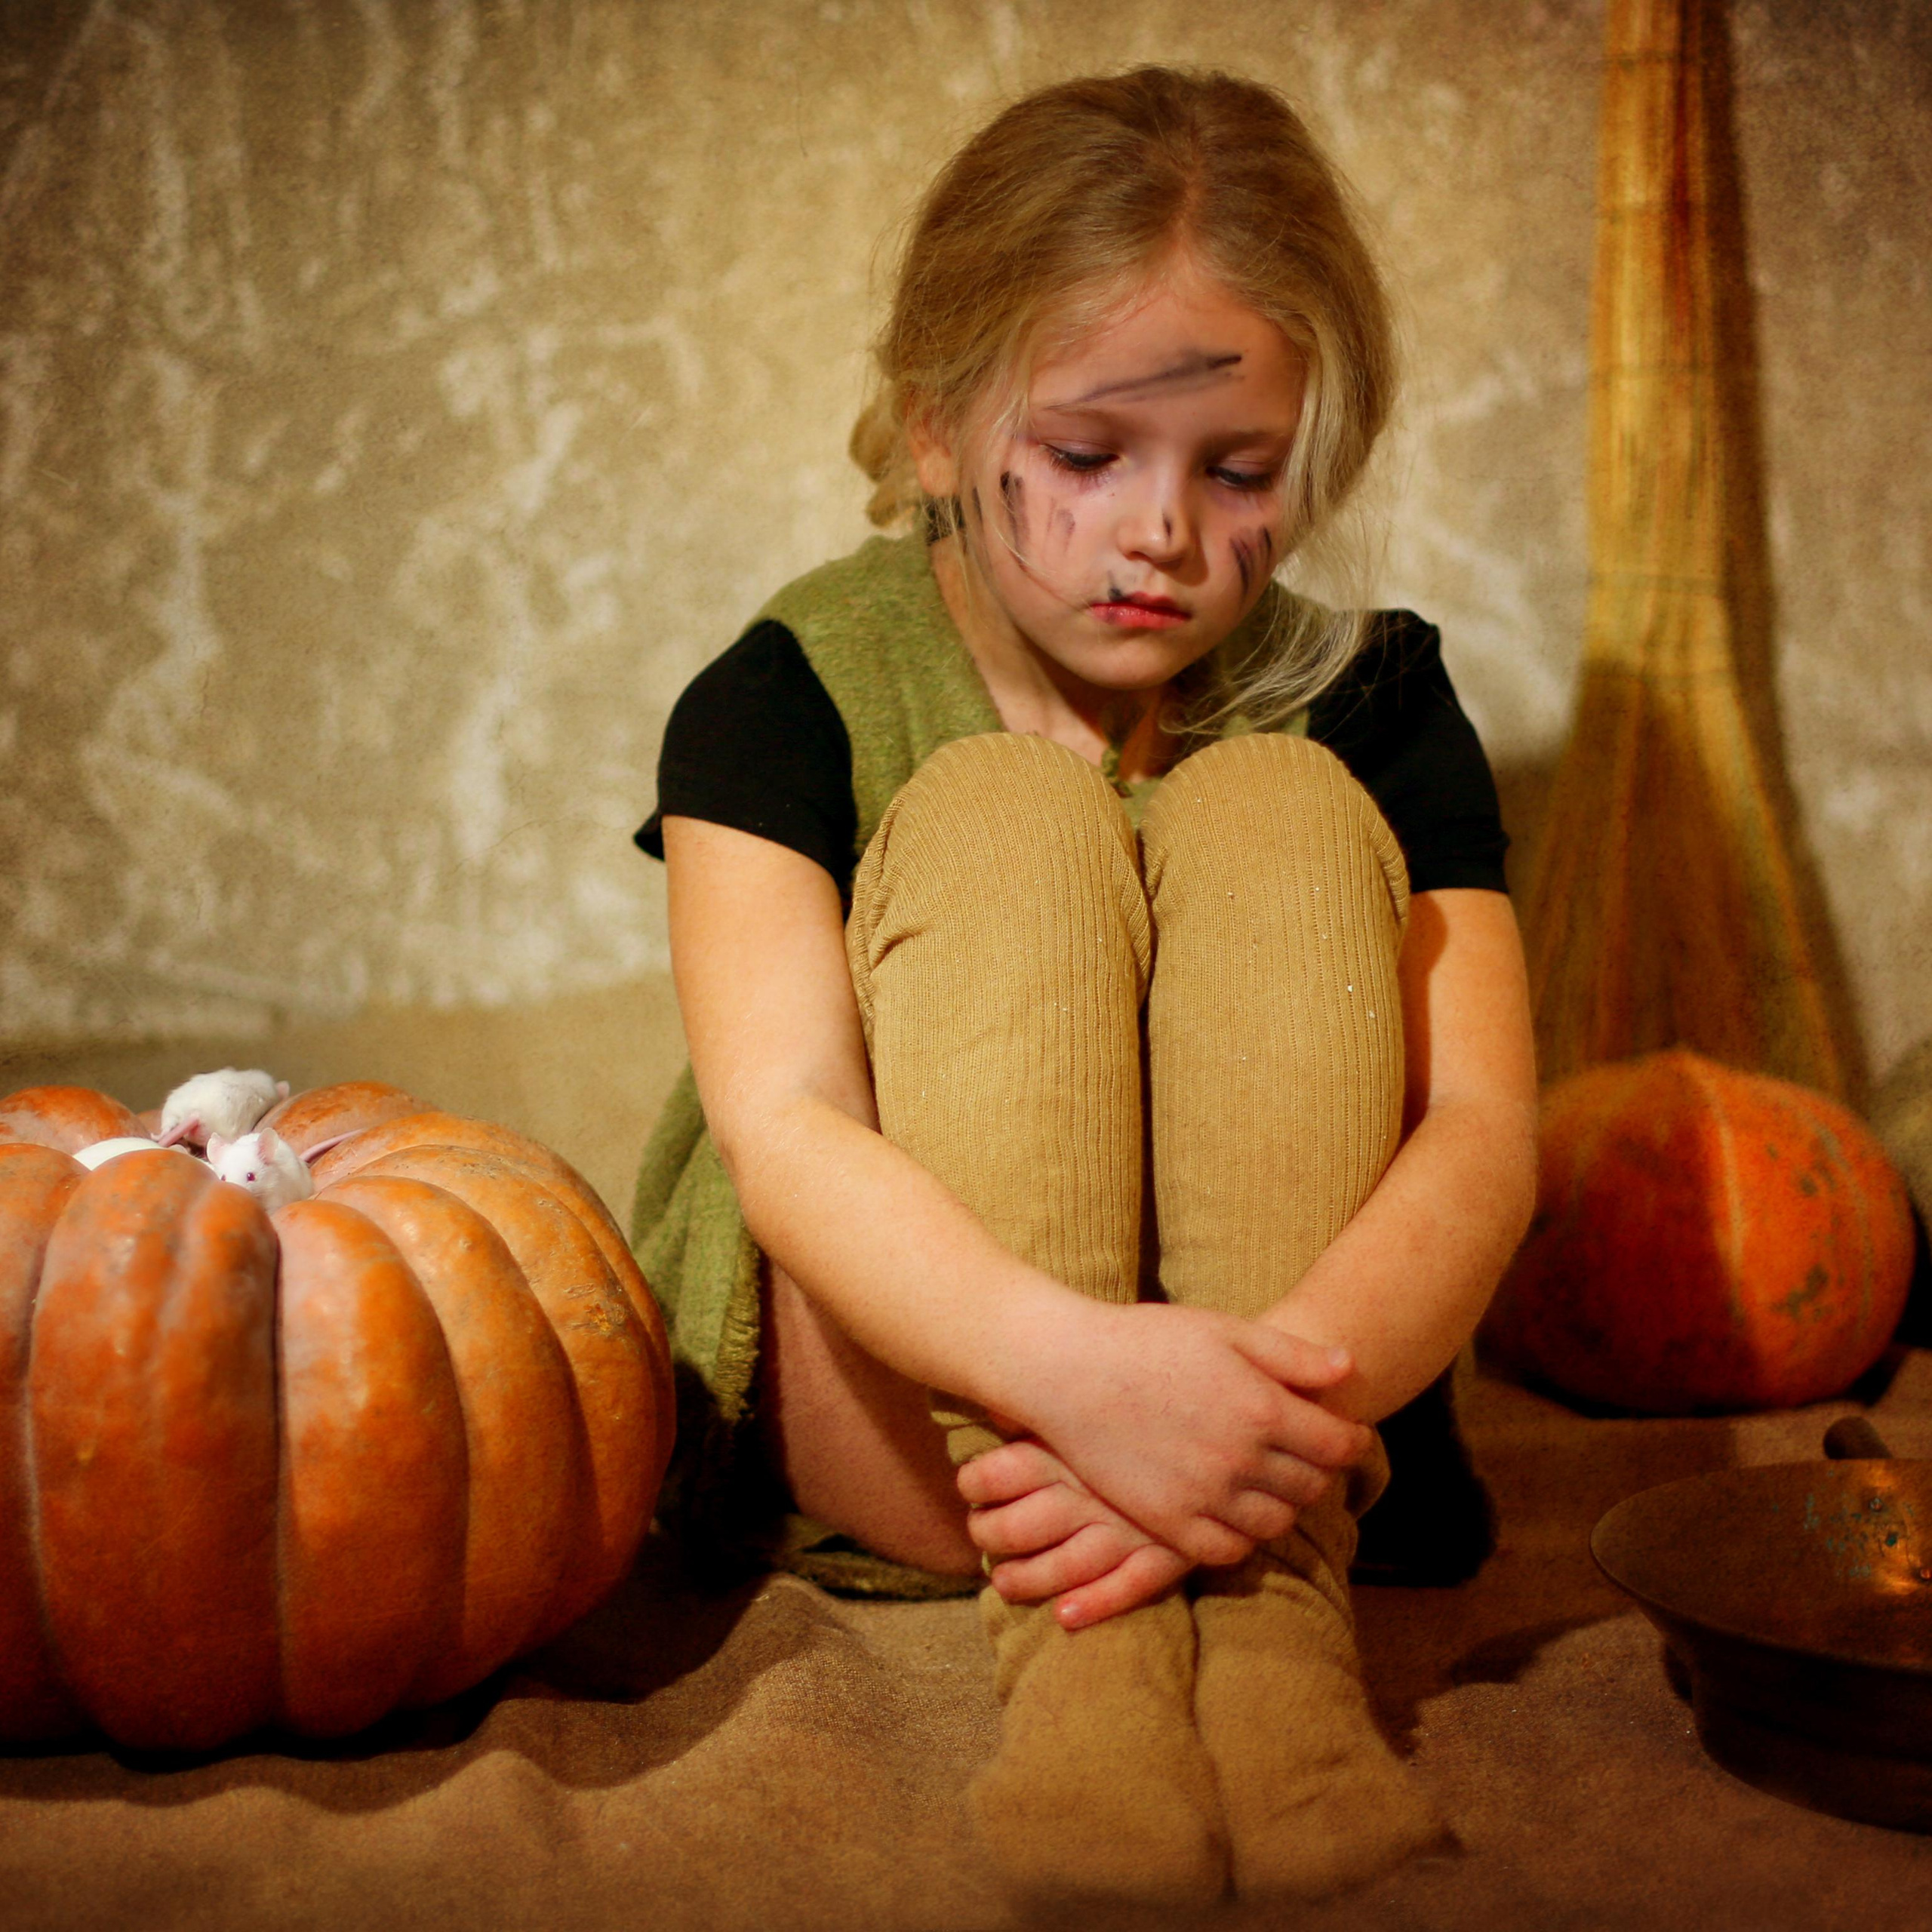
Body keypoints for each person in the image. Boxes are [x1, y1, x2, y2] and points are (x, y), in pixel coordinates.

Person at [632, 66, 1537, 1909]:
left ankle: (1275, 1642)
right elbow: (784, 1119)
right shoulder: (781, 692)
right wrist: (1078, 1372)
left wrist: (1253, 1420)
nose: (1159, 533)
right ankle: (1089, 1683)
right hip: (929, 1387)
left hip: (1299, 1411)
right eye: (1086, 456)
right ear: (938, 429)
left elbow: (1483, 1124)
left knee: (1281, 807)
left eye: (1236, 469)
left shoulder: (1369, 698)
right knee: (1001, 823)